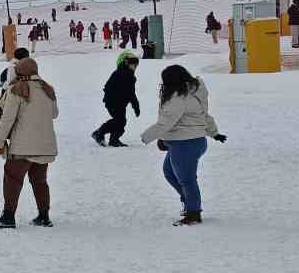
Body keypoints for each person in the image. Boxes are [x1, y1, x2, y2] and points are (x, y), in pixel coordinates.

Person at [140, 65, 226, 224]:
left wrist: (146, 136)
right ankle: (189, 203)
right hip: (190, 141)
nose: (163, 84)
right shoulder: (194, 92)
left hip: (185, 143)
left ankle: (193, 212)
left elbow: (166, 123)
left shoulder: (179, 97)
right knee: (170, 173)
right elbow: (204, 116)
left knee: (186, 179)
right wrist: (214, 133)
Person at [0, 57, 58, 228]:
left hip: (23, 147)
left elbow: (7, 120)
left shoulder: (16, 90)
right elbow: (54, 114)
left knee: (12, 178)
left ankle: (8, 217)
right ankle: (44, 216)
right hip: (45, 146)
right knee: (40, 181)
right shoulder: (48, 89)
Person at [92, 52, 141, 147]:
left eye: (135, 65)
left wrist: (136, 106)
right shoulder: (119, 74)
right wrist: (113, 97)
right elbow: (108, 87)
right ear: (124, 63)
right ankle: (100, 133)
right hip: (113, 102)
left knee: (120, 122)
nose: (134, 67)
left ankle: (113, 139)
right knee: (120, 121)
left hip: (121, 103)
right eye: (132, 64)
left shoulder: (130, 77)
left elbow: (131, 93)